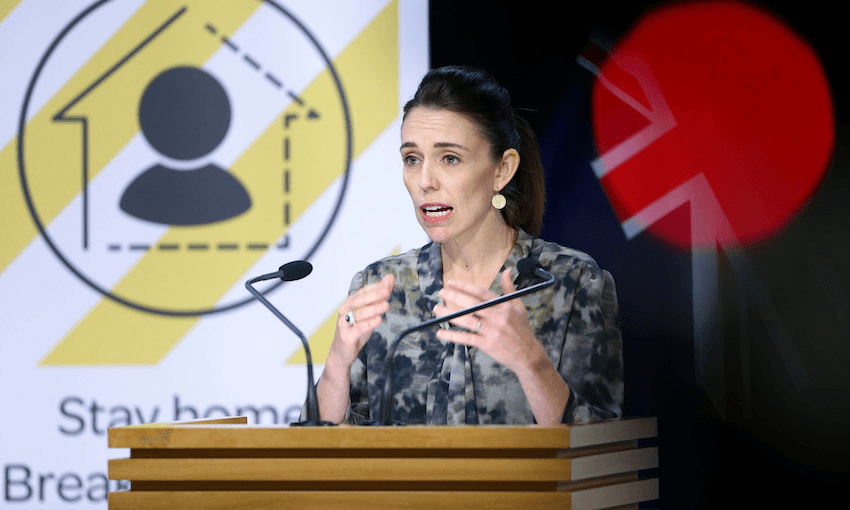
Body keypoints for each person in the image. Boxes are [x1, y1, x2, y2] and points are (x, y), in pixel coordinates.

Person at [315, 66, 623, 426]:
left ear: (502, 170)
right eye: (412, 159)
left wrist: (531, 362)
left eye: (450, 158)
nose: (425, 181)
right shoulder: (381, 287)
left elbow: (602, 441)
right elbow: (325, 441)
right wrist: (337, 362)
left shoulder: (572, 282)